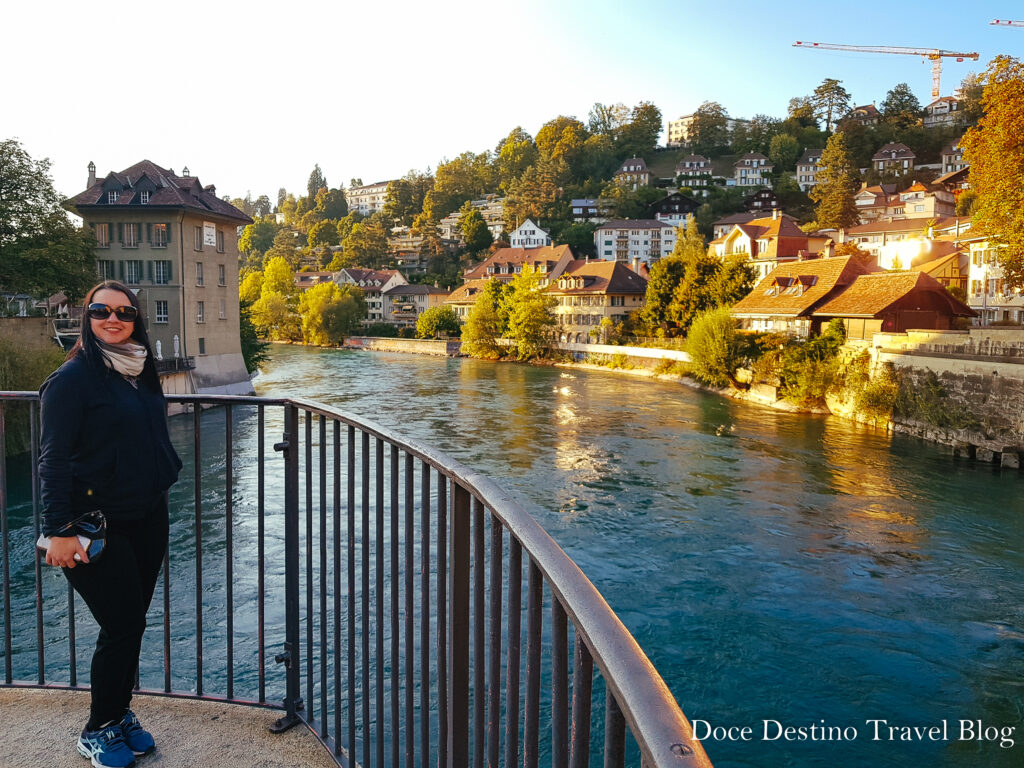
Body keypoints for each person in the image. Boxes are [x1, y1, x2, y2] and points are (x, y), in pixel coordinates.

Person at [38, 281, 182, 768]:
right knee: (120, 624)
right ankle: (97, 728)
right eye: (101, 311)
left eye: (124, 312)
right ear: (88, 317)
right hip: (93, 524)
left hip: (146, 514)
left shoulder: (139, 371)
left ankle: (119, 715)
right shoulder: (72, 379)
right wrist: (56, 530)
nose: (113, 318)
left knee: (132, 623)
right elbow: (52, 460)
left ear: (137, 319)